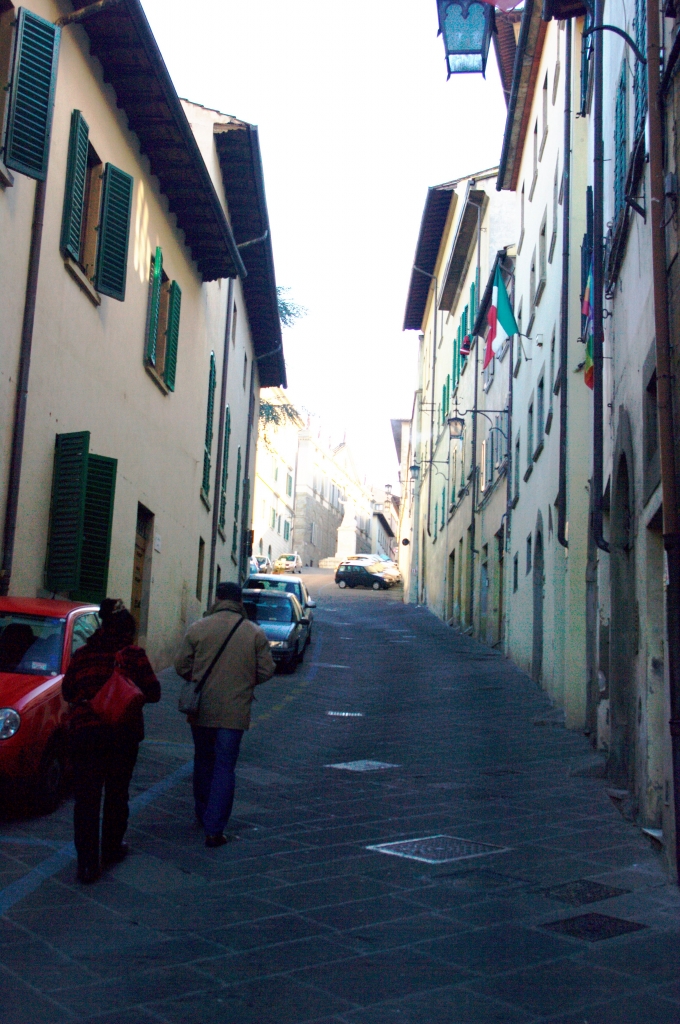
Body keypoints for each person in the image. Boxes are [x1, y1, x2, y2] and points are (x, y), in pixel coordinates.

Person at [62, 600, 161, 883]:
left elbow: (68, 691)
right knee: (117, 793)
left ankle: (87, 864)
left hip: (86, 733)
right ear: (127, 630)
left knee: (86, 799)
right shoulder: (134, 656)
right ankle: (112, 848)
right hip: (123, 733)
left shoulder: (83, 654)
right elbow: (154, 692)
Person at [174, 581, 275, 847]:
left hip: (202, 708)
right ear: (239, 601)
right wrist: (245, 682)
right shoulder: (254, 632)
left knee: (203, 759)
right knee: (224, 767)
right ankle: (215, 828)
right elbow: (267, 670)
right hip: (235, 711)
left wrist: (198, 678)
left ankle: (202, 811)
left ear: (217, 598)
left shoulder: (198, 628)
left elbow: (181, 665)